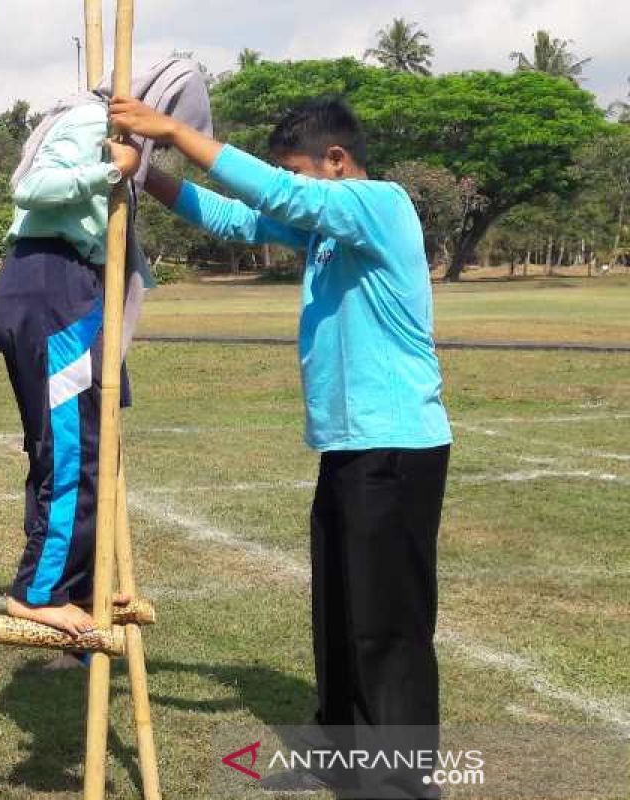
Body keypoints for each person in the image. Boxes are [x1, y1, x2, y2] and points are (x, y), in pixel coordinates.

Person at [110, 94, 451, 797]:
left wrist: (172, 130)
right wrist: (147, 175)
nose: (290, 183)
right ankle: (343, 748)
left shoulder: (379, 203)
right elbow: (240, 216)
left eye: (299, 170)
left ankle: (401, 783)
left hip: (395, 447)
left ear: (336, 160)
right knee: (341, 611)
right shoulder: (329, 228)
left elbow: (276, 195)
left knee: (387, 627)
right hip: (351, 448)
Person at [0, 57, 213, 637]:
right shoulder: (95, 123)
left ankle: (78, 584)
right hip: (56, 284)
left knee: (74, 443)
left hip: (61, 286)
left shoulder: (112, 133)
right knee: (75, 451)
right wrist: (109, 172)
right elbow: (30, 188)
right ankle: (40, 591)